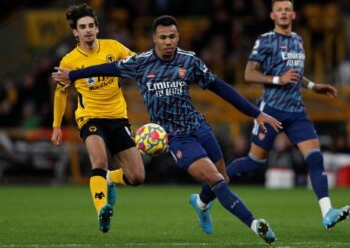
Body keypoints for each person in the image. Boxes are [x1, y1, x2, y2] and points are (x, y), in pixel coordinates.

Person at [52, 15, 283, 244]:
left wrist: (256, 113)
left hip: (198, 126)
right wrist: (72, 75)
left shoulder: (189, 61)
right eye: (163, 37)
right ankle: (255, 224)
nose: (168, 41)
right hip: (174, 137)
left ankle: (201, 204)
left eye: (172, 36)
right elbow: (108, 68)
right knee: (215, 179)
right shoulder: (141, 63)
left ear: (178, 37)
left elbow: (220, 87)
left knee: (222, 178)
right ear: (154, 39)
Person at [225, 0, 349, 229]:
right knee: (253, 162)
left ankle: (327, 212)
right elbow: (249, 74)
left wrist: (313, 86)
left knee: (315, 157)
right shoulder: (265, 40)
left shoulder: (298, 40)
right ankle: (208, 192)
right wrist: (276, 79)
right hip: (271, 110)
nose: (283, 13)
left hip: (296, 111)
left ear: (293, 15)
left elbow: (294, 75)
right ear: (272, 15)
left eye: (287, 10)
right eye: (279, 10)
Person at [51, 3, 145, 233]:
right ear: (76, 32)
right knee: (99, 160)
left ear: (97, 28)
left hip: (118, 118)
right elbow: (60, 93)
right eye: (82, 27)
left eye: (91, 25)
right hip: (90, 119)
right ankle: (102, 209)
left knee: (137, 177)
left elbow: (138, 63)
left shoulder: (113, 47)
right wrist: (56, 126)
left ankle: (111, 179)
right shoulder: (69, 61)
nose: (88, 30)